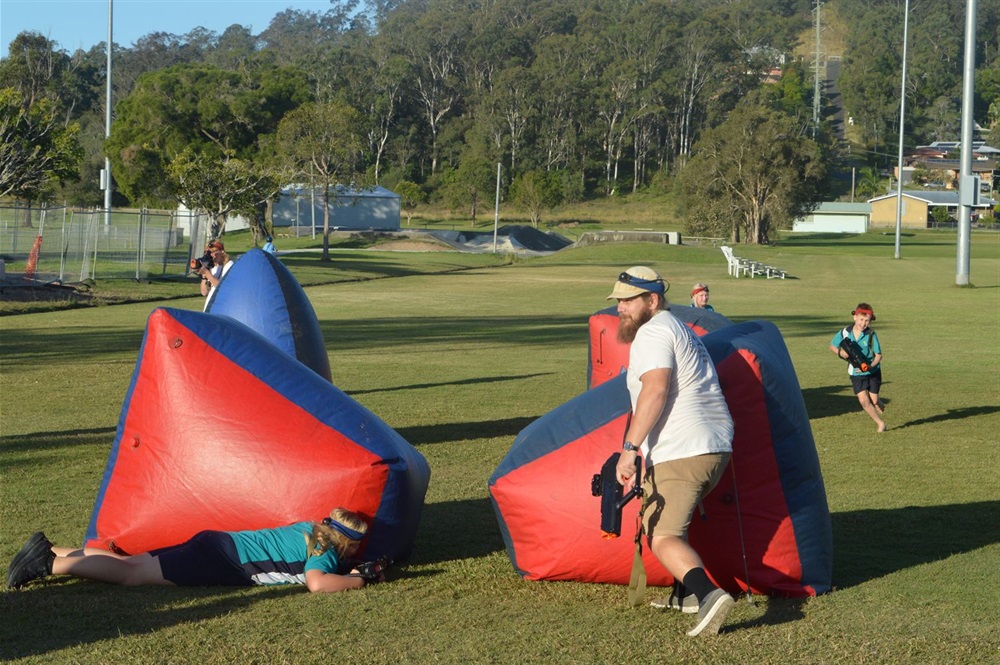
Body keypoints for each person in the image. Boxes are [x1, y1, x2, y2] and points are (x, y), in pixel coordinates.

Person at [609, 266, 736, 637]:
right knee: (675, 526)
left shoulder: (652, 332)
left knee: (662, 534)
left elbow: (656, 390)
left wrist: (630, 449)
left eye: (628, 301)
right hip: (715, 446)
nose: (620, 308)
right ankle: (686, 596)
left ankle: (708, 595)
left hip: (684, 448)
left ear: (652, 300)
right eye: (618, 301)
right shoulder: (680, 329)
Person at [6, 507, 380, 592]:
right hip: (219, 560)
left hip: (217, 542)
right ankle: (49, 565)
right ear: (347, 543)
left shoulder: (311, 528)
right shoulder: (326, 550)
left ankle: (51, 548)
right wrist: (357, 581)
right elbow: (316, 582)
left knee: (129, 562)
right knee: (132, 575)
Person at [829, 303, 885, 432]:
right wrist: (840, 353)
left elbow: (878, 355)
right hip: (856, 372)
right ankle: (880, 423)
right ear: (855, 317)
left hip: (873, 371)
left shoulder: (871, 334)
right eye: (861, 319)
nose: (863, 323)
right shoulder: (844, 332)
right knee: (863, 400)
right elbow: (832, 346)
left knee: (874, 399)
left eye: (867, 321)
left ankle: (877, 402)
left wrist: (870, 367)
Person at [195, 239, 233, 311]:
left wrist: (207, 273)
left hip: (222, 308)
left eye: (214, 252)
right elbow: (204, 292)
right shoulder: (212, 267)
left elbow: (222, 287)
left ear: (222, 251)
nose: (212, 256)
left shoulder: (229, 265)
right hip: (210, 309)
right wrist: (204, 275)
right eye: (209, 253)